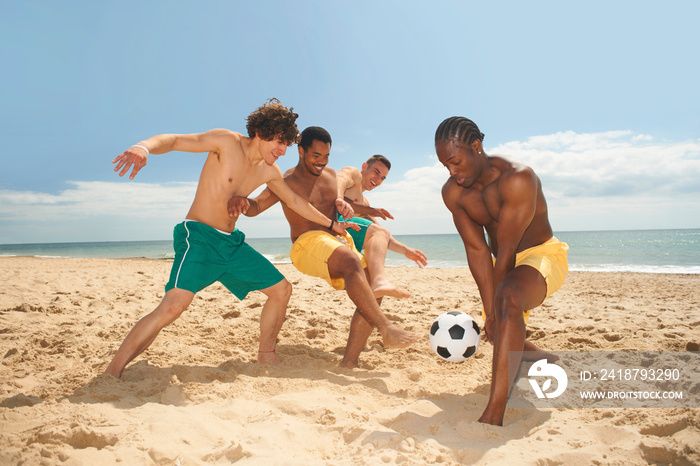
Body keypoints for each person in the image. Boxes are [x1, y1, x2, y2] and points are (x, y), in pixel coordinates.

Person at [104, 99, 357, 378]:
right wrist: (143, 147)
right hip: (199, 237)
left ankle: (266, 356)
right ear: (261, 132)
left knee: (281, 290)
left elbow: (297, 202)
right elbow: (175, 140)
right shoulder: (226, 142)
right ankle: (112, 372)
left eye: (287, 144)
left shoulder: (269, 171)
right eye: (279, 142)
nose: (283, 151)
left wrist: (332, 224)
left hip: (232, 243)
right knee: (174, 306)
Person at [228, 126, 421, 368]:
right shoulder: (286, 181)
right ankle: (386, 328)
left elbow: (344, 202)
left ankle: (350, 362)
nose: (321, 162)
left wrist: (366, 211)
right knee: (352, 262)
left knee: (373, 285)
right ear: (301, 151)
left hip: (338, 240)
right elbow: (256, 207)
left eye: (326, 156)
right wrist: (241, 199)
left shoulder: (329, 175)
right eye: (316, 155)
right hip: (307, 243)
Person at [435, 116, 569, 426]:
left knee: (507, 300)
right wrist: (488, 312)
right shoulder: (454, 193)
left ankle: (494, 413)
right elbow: (478, 250)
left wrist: (497, 309)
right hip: (503, 265)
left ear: (476, 147)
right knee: (499, 322)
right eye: (445, 166)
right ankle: (540, 357)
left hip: (541, 255)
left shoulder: (518, 179)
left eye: (455, 162)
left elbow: (507, 248)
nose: (452, 172)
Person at [336, 156, 428, 298]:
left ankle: (378, 287)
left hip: (346, 239)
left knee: (375, 291)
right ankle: (380, 280)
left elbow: (381, 236)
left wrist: (406, 250)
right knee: (376, 279)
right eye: (376, 172)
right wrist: (339, 199)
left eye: (383, 178)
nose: (378, 179)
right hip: (333, 223)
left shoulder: (365, 203)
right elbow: (339, 180)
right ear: (364, 166)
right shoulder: (353, 174)